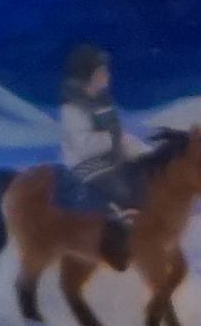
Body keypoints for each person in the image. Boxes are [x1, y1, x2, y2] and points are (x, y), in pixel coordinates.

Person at [54, 42, 140, 216]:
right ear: (89, 76)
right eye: (102, 71)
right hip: (85, 167)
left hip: (111, 162)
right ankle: (118, 227)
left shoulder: (104, 104)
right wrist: (112, 139)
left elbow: (120, 137)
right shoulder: (73, 108)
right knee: (122, 191)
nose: (107, 75)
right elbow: (83, 146)